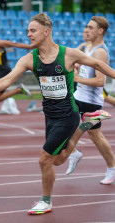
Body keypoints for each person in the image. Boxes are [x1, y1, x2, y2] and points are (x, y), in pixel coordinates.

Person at [0, 13, 115, 215]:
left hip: (67, 114)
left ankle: (46, 201)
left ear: (46, 32)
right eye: (28, 30)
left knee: (44, 159)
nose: (28, 34)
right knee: (59, 159)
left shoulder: (68, 54)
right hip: (50, 116)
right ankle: (85, 125)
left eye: (32, 30)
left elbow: (99, 66)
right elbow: (5, 81)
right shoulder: (29, 59)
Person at [65, 16, 115, 184]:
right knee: (60, 121)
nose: (86, 30)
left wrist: (77, 78)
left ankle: (112, 167)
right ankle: (74, 152)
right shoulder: (86, 46)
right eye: (86, 26)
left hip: (91, 101)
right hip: (78, 96)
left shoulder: (100, 52)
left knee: (96, 136)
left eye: (90, 27)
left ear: (100, 31)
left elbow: (100, 81)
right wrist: (78, 67)